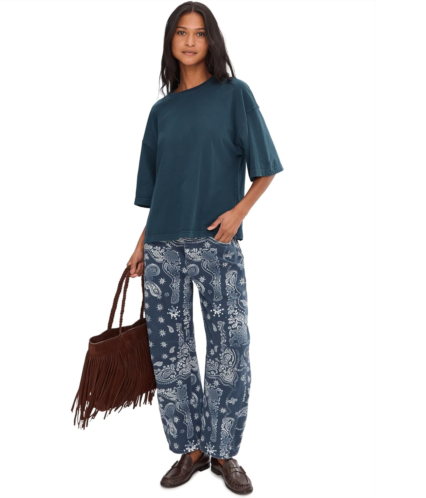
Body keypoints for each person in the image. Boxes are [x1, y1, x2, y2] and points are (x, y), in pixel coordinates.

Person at [127, 2, 283, 494]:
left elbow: (266, 168)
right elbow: (158, 191)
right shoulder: (160, 112)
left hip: (218, 243)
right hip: (162, 247)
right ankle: (191, 451)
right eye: (181, 32)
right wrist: (140, 245)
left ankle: (224, 452)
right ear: (170, 42)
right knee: (170, 356)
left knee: (230, 349)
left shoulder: (235, 95)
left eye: (199, 33)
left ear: (211, 40)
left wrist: (239, 213)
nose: (190, 41)